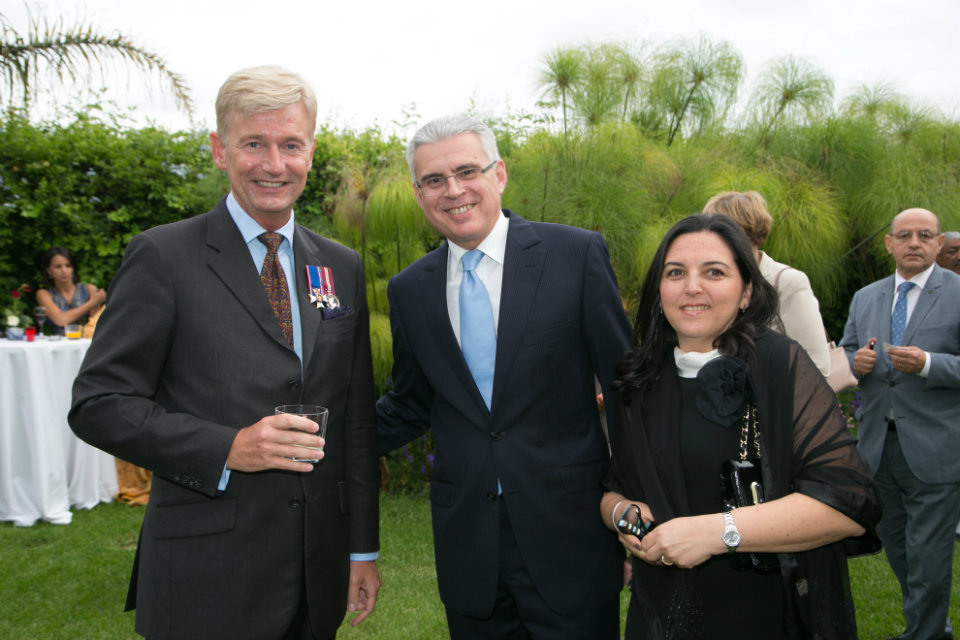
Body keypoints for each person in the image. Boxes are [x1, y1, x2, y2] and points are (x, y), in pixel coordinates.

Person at [69, 66, 381, 640]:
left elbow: (356, 420)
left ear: (311, 151)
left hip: (316, 578)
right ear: (219, 149)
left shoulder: (338, 266)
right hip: (205, 578)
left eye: (291, 145)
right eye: (253, 144)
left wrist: (362, 547)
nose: (274, 164)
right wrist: (227, 446)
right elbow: (99, 403)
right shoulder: (163, 257)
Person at [376, 116, 632, 639]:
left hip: (571, 534)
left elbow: (627, 387)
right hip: (468, 546)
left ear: (499, 174)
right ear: (419, 193)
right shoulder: (410, 290)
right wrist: (319, 435)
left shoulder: (575, 256)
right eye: (434, 180)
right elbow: (409, 403)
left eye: (466, 170)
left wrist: (630, 506)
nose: (453, 190)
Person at [602, 213, 881, 639]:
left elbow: (848, 502)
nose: (692, 286)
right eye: (676, 272)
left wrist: (716, 533)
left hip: (766, 613)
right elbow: (613, 488)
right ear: (659, 291)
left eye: (714, 272)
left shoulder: (778, 366)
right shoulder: (637, 379)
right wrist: (624, 515)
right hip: (662, 614)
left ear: (747, 291)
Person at [840, 208, 960, 640]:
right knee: (899, 548)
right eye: (904, 235)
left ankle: (925, 635)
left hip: (935, 447)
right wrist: (856, 361)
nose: (914, 242)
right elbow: (848, 351)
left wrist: (929, 364)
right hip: (878, 447)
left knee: (929, 555)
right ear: (889, 243)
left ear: (939, 242)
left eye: (924, 235)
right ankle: (932, 627)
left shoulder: (958, 293)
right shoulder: (866, 296)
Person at [703, 190, 831, 376]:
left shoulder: (787, 282)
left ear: (749, 232)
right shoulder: (708, 282)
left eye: (724, 232)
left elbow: (818, 367)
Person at [35, 246, 106, 334]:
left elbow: (94, 325)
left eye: (68, 265)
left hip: (84, 340)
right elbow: (60, 320)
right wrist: (91, 303)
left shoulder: (89, 289)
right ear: (49, 270)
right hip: (57, 343)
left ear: (72, 268)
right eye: (58, 267)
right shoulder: (44, 294)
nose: (64, 270)